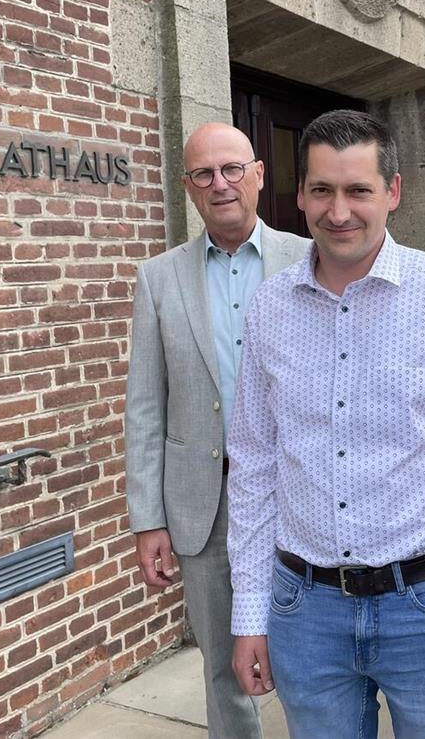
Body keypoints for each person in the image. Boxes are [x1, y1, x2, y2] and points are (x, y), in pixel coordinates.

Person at [227, 109, 425, 739]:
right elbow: (253, 468)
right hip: (305, 611)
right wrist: (250, 614)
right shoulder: (269, 309)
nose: (339, 211)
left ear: (392, 192)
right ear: (302, 194)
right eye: (322, 190)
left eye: (358, 190)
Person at [125, 122, 310, 739]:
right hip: (204, 504)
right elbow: (146, 407)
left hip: (300, 495)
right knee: (223, 669)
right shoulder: (158, 278)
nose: (220, 184)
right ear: (187, 187)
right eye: (203, 174)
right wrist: (148, 518)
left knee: (315, 661)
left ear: (259, 174)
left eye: (232, 169)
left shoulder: (308, 257)